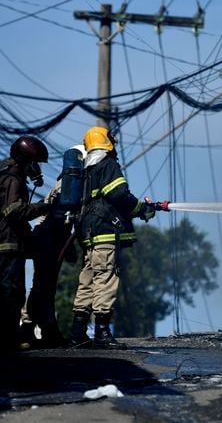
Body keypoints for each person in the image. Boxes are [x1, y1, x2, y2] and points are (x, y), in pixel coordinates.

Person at [70, 126, 156, 349]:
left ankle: (77, 333)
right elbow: (118, 194)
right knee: (106, 279)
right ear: (105, 141)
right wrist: (141, 209)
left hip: (87, 233)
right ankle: (102, 333)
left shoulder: (86, 169)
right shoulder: (107, 164)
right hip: (104, 232)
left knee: (87, 280)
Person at [20, 145, 86, 349]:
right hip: (50, 240)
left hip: (45, 238)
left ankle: (30, 330)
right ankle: (42, 331)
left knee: (41, 286)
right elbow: (60, 220)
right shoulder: (71, 185)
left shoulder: (64, 183)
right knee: (44, 287)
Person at [0, 136, 50, 353]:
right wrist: (42, 207)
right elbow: (13, 211)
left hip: (6, 243)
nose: (36, 168)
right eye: (34, 163)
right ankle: (8, 341)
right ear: (26, 161)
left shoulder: (4, 175)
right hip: (8, 245)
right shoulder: (13, 180)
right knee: (11, 294)